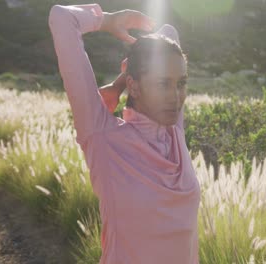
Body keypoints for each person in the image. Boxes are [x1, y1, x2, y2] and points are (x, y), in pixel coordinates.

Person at [49, 4, 200, 264]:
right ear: (136, 86)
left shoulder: (173, 130)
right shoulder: (102, 137)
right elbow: (61, 18)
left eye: (181, 83)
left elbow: (169, 33)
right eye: (164, 83)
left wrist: (122, 81)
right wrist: (106, 20)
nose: (176, 97)